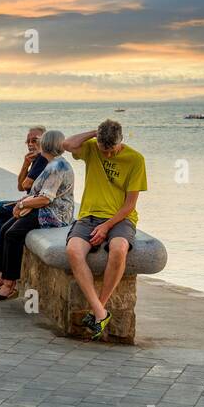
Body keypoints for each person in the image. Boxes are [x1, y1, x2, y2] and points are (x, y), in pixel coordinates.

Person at [61, 119, 147, 339]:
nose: (107, 154)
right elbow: (66, 144)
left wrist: (106, 226)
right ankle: (101, 312)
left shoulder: (136, 160)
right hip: (88, 216)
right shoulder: (91, 148)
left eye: (112, 150)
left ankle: (99, 308)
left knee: (119, 248)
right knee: (73, 251)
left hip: (120, 219)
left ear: (121, 141)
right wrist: (95, 133)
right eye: (103, 150)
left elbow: (129, 206)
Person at [0, 130, 74, 300]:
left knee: (12, 234)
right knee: (4, 228)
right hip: (43, 208)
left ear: (46, 145)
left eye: (40, 142)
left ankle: (9, 284)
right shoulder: (52, 163)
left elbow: (45, 199)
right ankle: (3, 276)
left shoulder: (57, 167)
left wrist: (22, 204)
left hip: (54, 214)